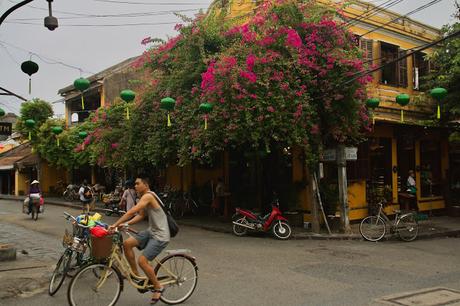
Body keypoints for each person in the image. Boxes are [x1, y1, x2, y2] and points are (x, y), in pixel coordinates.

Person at [109, 176, 169, 304]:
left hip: (160, 235)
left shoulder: (148, 196)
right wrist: (127, 224)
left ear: (145, 185)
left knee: (142, 261)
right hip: (151, 231)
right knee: (127, 244)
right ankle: (135, 274)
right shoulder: (143, 197)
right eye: (134, 184)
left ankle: (158, 287)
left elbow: (132, 211)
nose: (135, 186)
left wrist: (115, 224)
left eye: (137, 184)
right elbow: (141, 215)